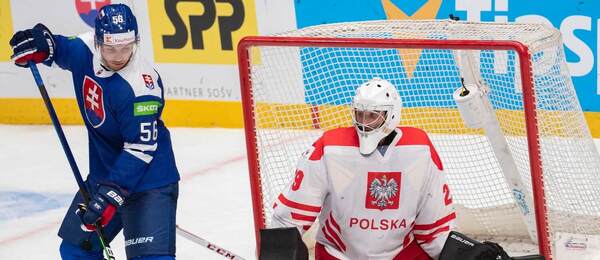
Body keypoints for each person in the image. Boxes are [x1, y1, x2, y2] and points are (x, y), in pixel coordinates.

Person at [9, 4, 180, 260]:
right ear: (98, 41)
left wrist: (110, 197)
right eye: (111, 48)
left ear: (136, 41)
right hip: (103, 175)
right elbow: (58, 48)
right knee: (77, 250)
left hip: (148, 185)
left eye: (126, 47)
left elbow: (141, 149)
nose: (119, 55)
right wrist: (40, 45)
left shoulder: (141, 88)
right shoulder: (84, 48)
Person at [269, 78, 456, 259]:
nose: (364, 122)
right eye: (360, 114)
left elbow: (434, 229)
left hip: (401, 253)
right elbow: (290, 217)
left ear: (390, 115)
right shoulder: (331, 148)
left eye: (373, 115)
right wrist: (277, 252)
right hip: (339, 254)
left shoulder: (419, 150)